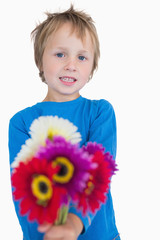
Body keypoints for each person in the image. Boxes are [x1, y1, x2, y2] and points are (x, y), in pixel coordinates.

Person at [8, 5, 120, 240]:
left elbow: (99, 171)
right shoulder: (21, 123)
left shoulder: (100, 112)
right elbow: (23, 190)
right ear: (40, 61)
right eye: (60, 54)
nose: (71, 64)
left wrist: (72, 223)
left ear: (91, 68)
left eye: (81, 57)